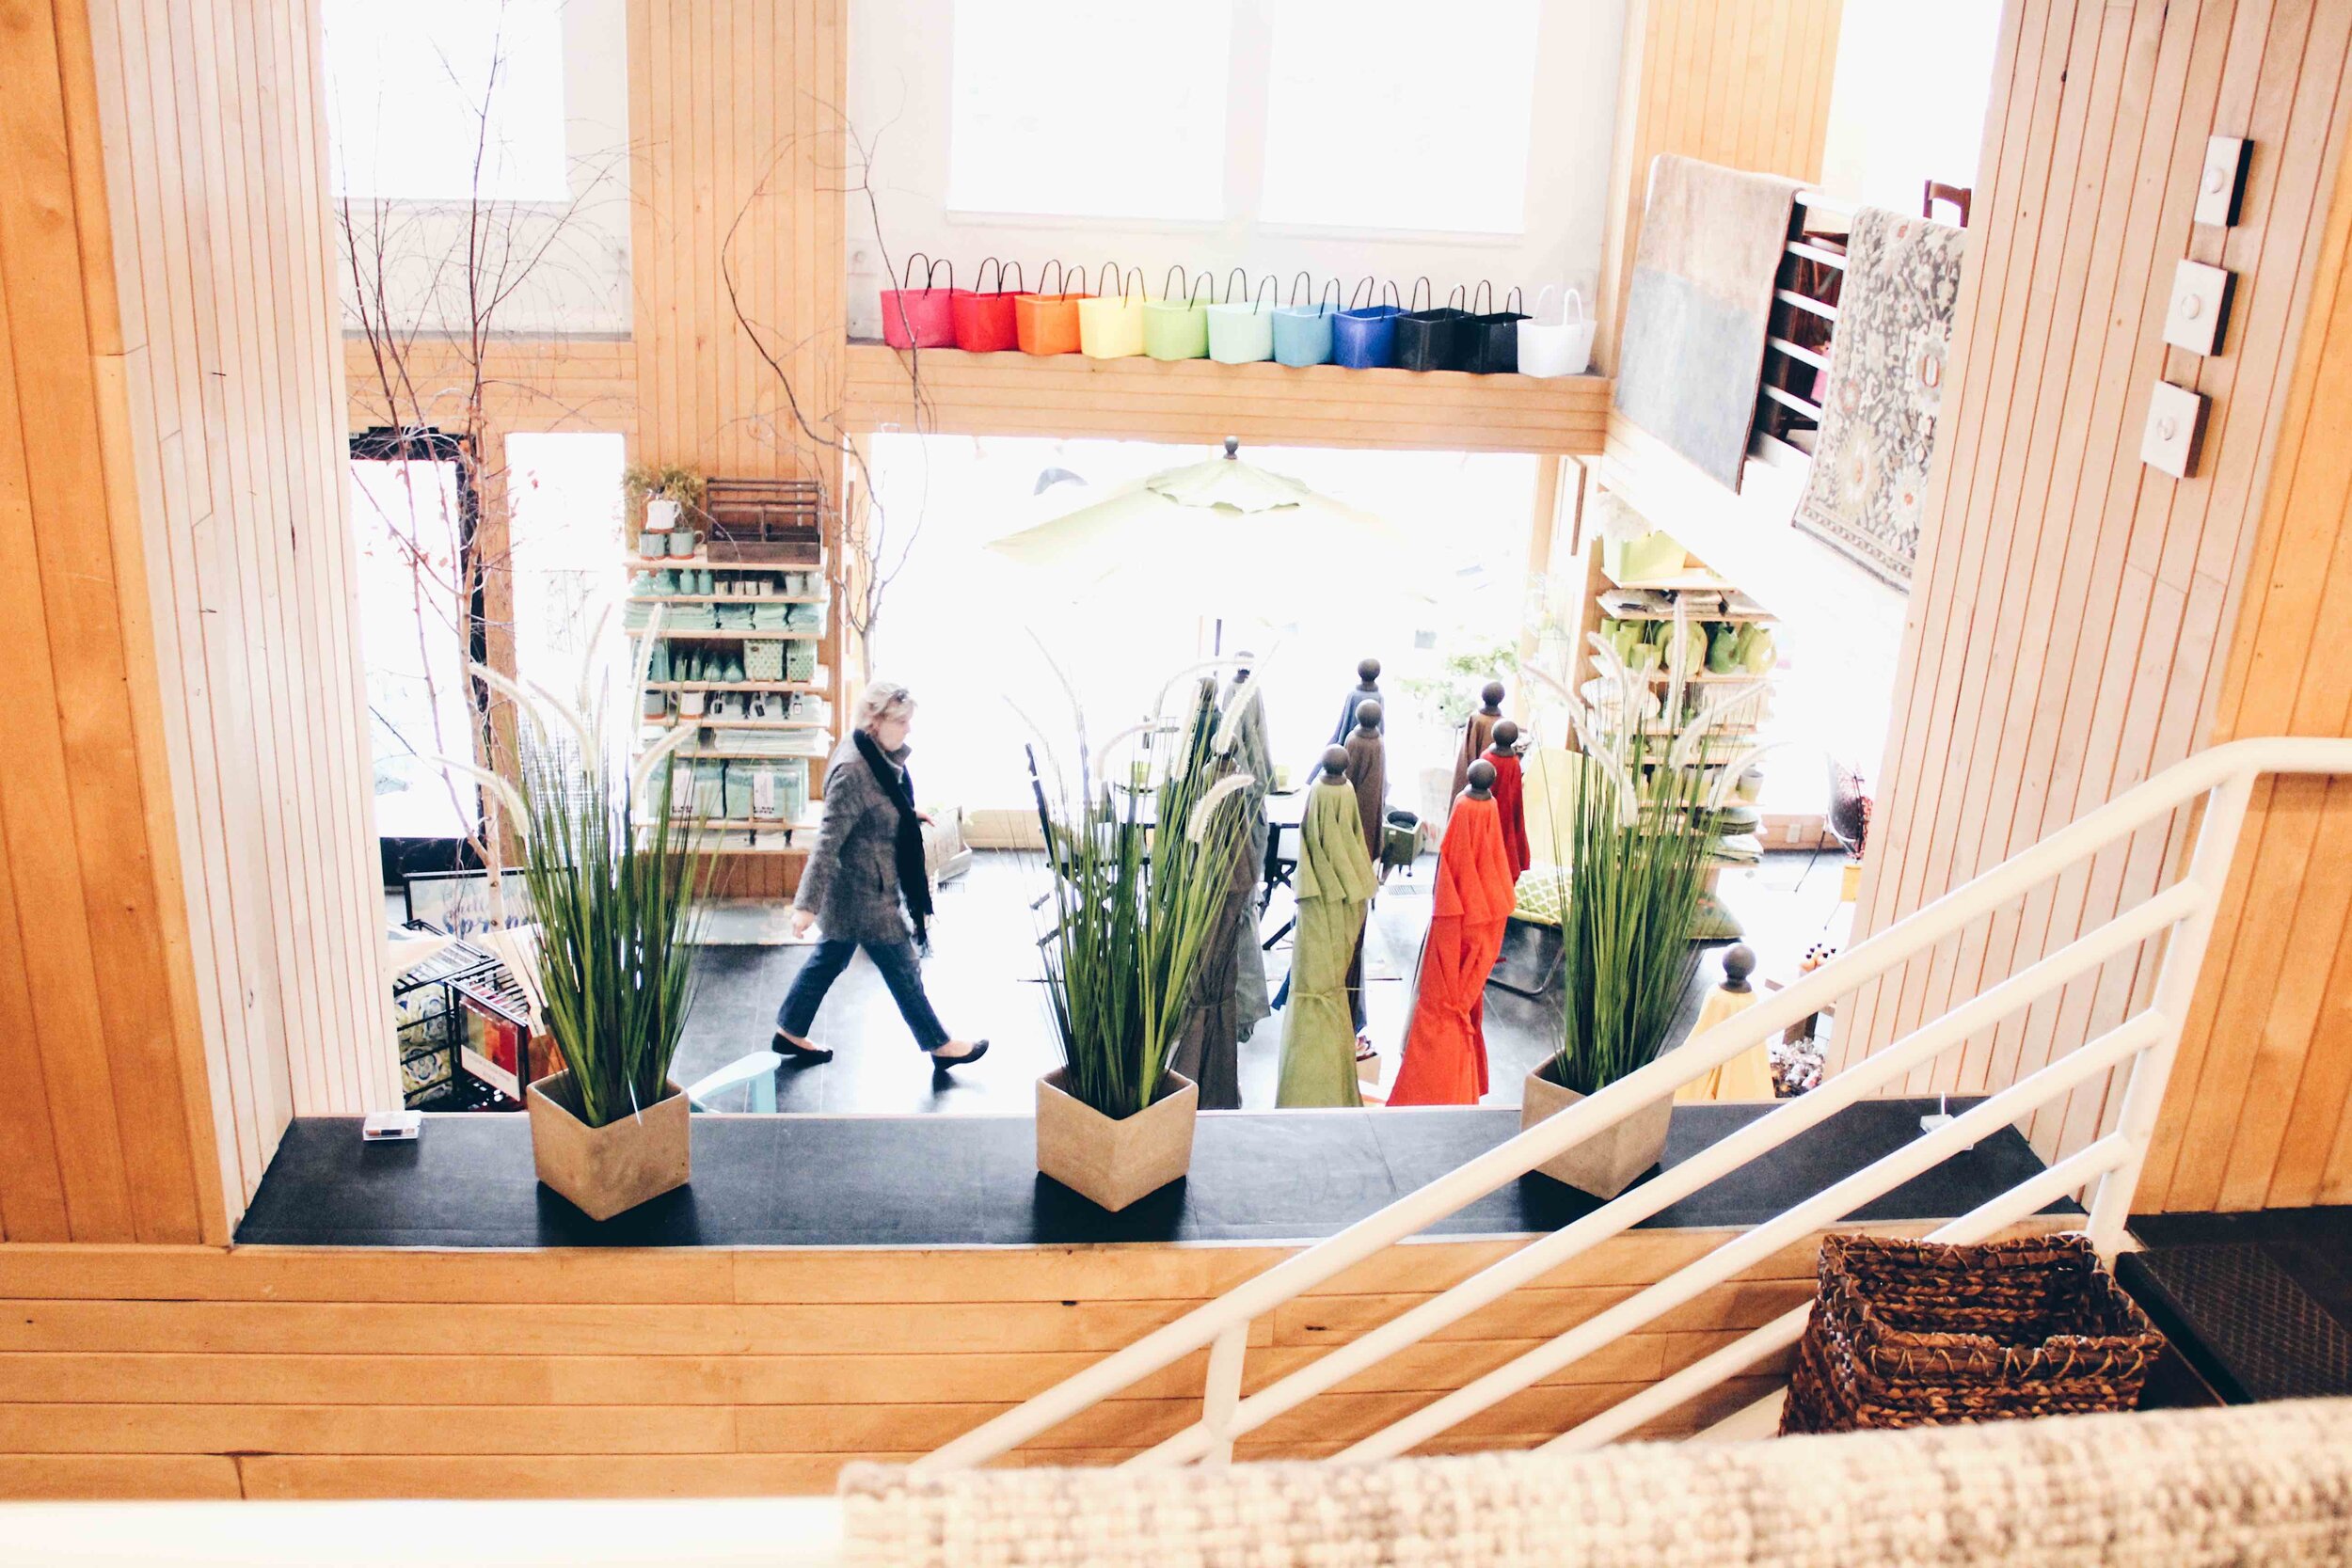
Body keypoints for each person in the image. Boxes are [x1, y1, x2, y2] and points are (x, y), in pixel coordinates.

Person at [776, 681, 987, 1073]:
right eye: (902, 722)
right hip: (864, 892)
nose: (908, 730)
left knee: (830, 958)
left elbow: (879, 803)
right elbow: (827, 841)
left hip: (861, 884)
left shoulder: (869, 752)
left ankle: (789, 1029)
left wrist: (908, 815)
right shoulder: (853, 770)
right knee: (902, 966)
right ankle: (940, 1045)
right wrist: (806, 906)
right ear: (875, 722)